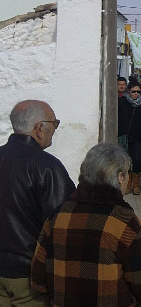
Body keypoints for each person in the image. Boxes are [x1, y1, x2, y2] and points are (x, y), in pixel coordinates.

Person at [31, 143, 141, 306]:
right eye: (127, 174)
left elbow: (38, 276)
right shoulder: (126, 222)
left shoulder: (58, 215)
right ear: (120, 177)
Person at [0, 100, 75, 306]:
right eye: (55, 123)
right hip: (28, 275)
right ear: (40, 128)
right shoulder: (47, 166)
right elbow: (62, 225)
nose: (54, 130)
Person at [117, 80, 141, 195]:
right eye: (133, 91)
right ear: (129, 91)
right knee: (126, 161)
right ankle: (127, 183)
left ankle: (135, 184)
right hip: (125, 136)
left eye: (138, 91)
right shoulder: (122, 101)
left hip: (138, 137)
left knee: (136, 159)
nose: (136, 94)